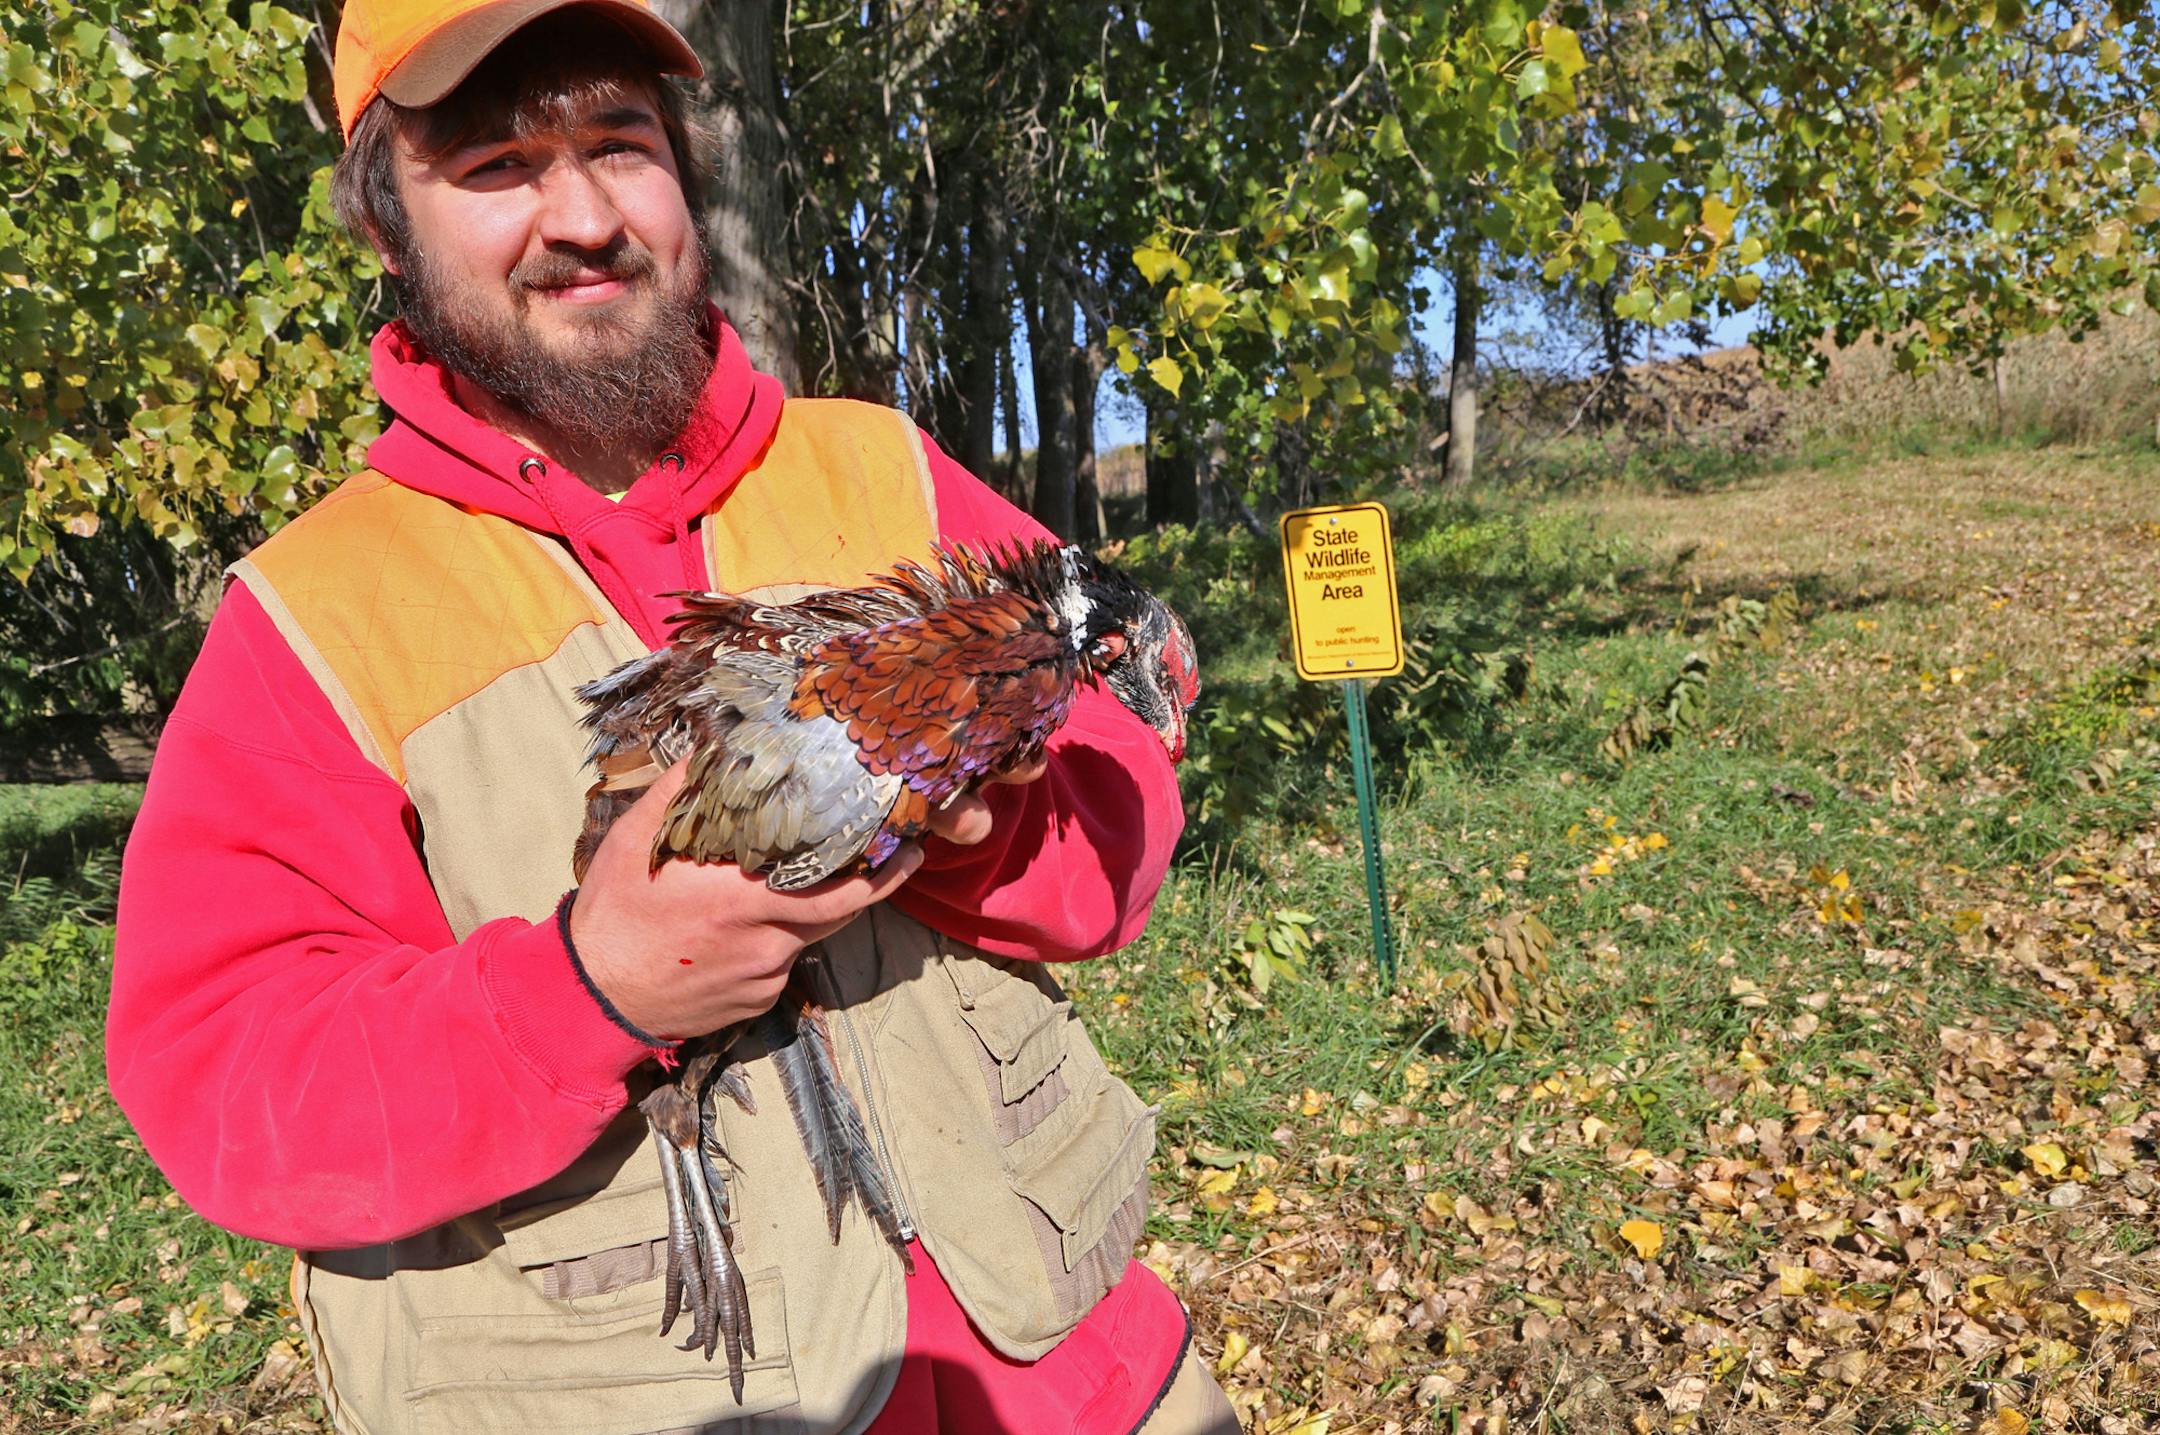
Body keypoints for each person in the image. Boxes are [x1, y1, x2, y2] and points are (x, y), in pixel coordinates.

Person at [105, 2, 1238, 1430]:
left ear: (685, 177)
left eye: (619, 144)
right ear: (386, 229)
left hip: (1081, 1378)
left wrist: (969, 824)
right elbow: (226, 1083)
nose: (582, 216)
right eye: (497, 164)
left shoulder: (876, 471)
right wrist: (586, 990)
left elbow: (1119, 835)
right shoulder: (320, 614)